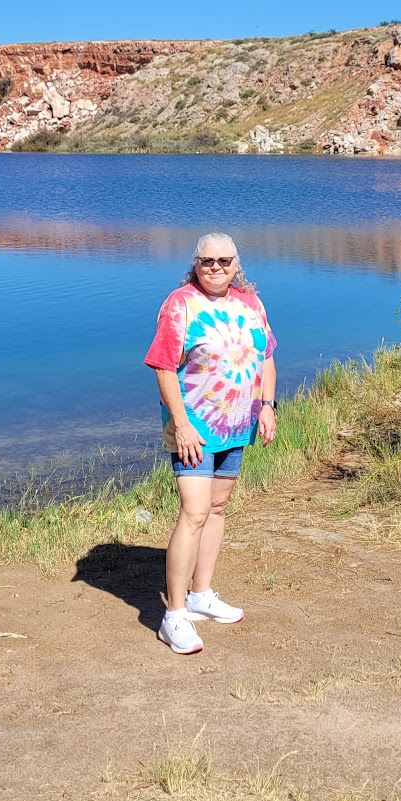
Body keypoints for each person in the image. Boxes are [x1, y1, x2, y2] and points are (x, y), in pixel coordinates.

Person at [143, 233, 277, 654]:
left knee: (217, 508)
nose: (215, 268)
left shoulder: (250, 303)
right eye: (207, 261)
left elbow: (267, 355)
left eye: (224, 260)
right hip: (195, 428)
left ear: (237, 263)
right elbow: (164, 367)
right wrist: (181, 424)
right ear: (195, 263)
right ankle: (174, 616)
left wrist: (268, 405)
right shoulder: (180, 304)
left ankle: (202, 596)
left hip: (237, 424)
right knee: (195, 511)